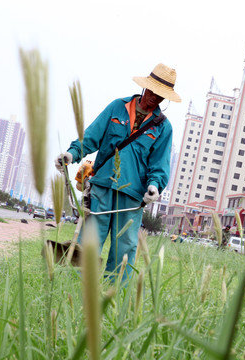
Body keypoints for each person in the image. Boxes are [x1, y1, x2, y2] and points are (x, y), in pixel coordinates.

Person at [56, 63, 181, 281]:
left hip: (133, 197)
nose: (154, 98)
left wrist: (154, 186)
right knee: (88, 243)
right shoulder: (117, 107)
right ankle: (76, 291)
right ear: (145, 87)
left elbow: (160, 164)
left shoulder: (163, 127)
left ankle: (113, 298)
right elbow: (91, 136)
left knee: (124, 250)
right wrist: (71, 154)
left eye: (161, 96)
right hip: (102, 187)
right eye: (153, 92)